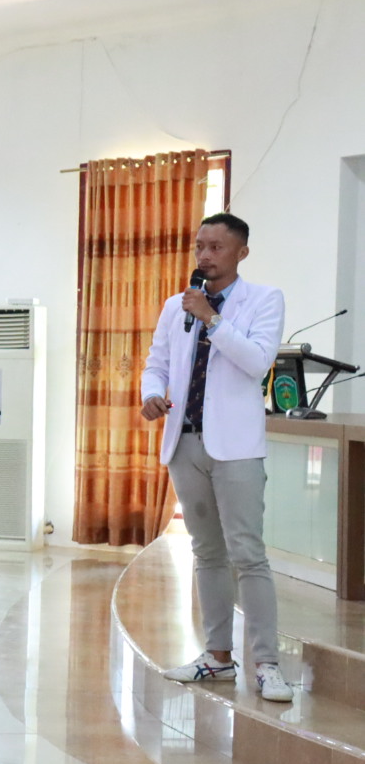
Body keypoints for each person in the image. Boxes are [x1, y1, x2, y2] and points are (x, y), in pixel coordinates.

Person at [141, 212, 291, 702]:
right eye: (199, 246)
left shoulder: (264, 299)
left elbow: (257, 362)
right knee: (206, 552)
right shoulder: (176, 305)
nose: (204, 255)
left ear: (241, 253)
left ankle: (267, 663)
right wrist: (151, 393)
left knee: (247, 554)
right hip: (185, 441)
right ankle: (217, 657)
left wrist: (212, 318)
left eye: (215, 247)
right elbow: (157, 363)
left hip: (236, 448)